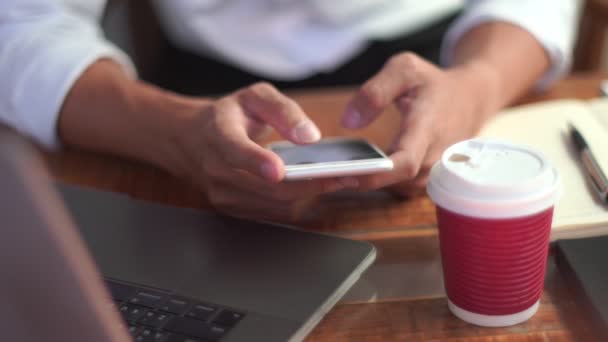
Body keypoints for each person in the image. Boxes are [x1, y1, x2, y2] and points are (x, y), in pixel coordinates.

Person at [0, 0, 581, 221]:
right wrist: (179, 135)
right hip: (195, 108)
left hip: (462, 60)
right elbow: (20, 24)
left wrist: (477, 85)